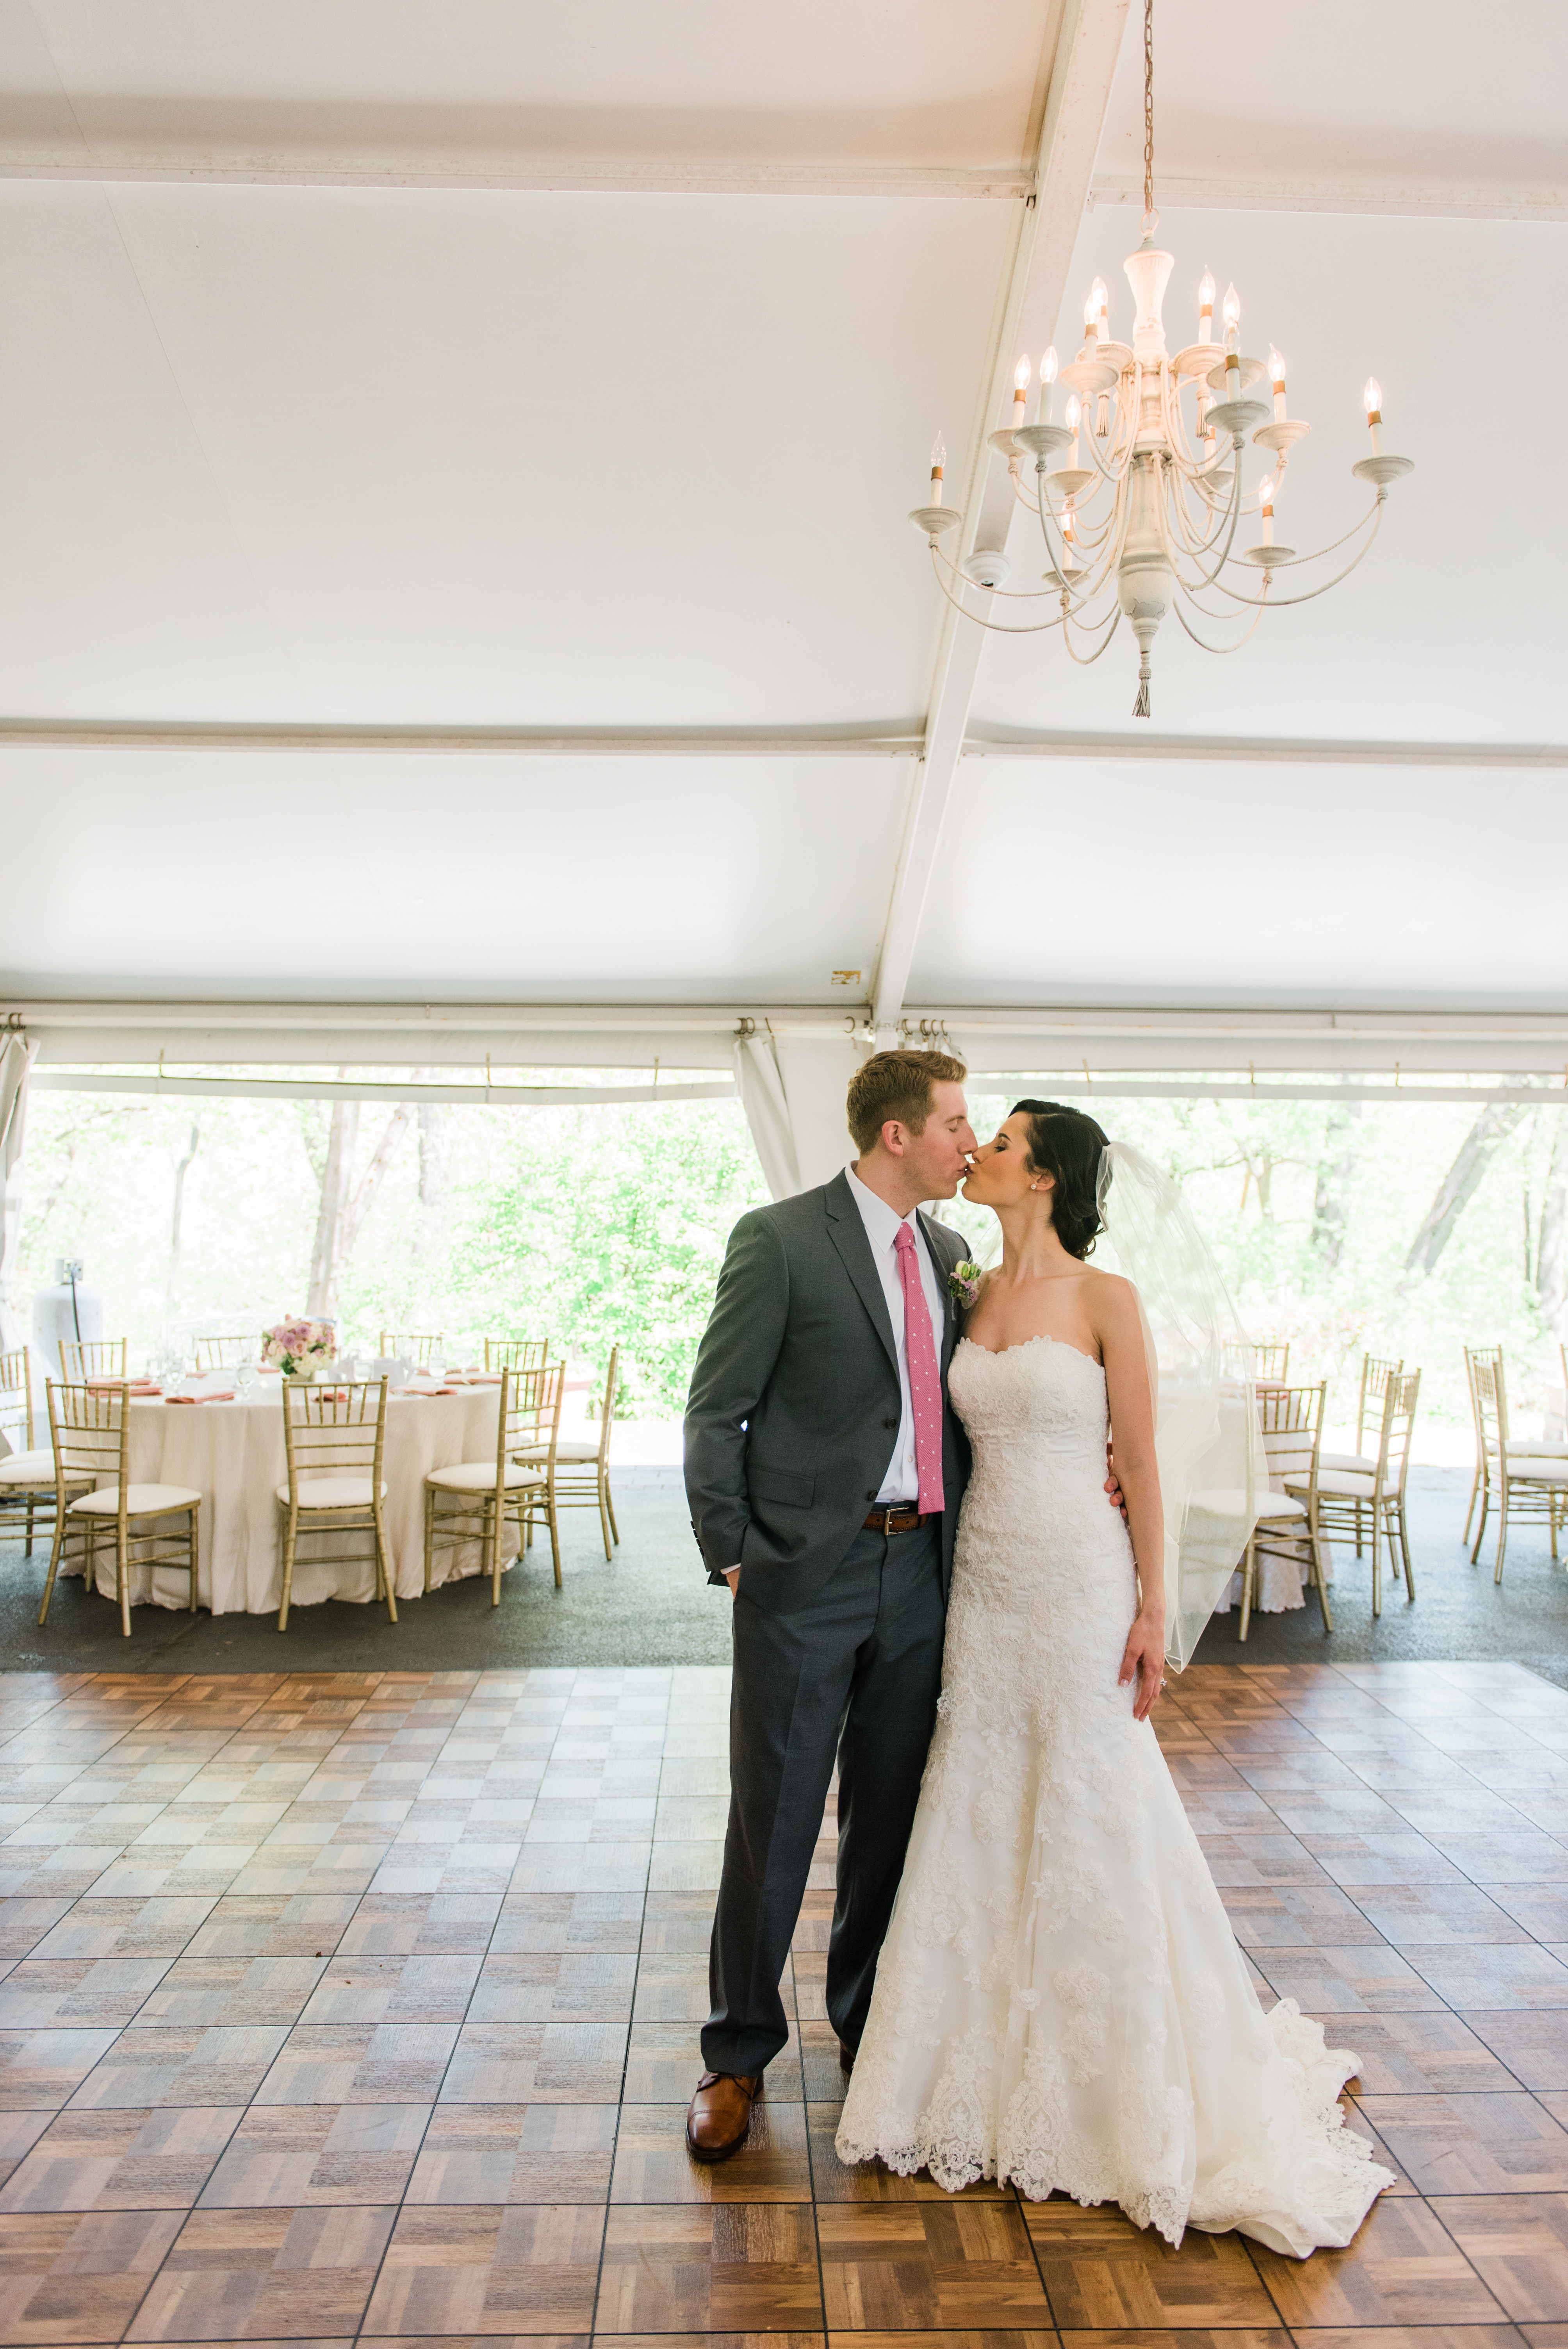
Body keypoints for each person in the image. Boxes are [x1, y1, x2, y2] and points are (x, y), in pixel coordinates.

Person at [834, 1100, 1394, 2258]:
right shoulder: (967, 1290)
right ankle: (972, 2073)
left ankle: (1117, 2088)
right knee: (980, 1800)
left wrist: (1151, 1607)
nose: (976, 1150)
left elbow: (1139, 1459)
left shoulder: (1107, 1300)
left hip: (1083, 1589)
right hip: (983, 1589)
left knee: (1095, 1804)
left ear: (1042, 1178)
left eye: (998, 1143)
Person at [680, 1048, 976, 2161]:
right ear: (896, 1134)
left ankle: (869, 2035)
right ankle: (737, 2053)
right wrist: (740, 1556)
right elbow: (716, 1412)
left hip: (922, 1572)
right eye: (954, 1121)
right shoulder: (781, 1238)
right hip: (807, 1575)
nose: (968, 1139)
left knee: (888, 1820)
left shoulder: (950, 1253)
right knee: (777, 1819)